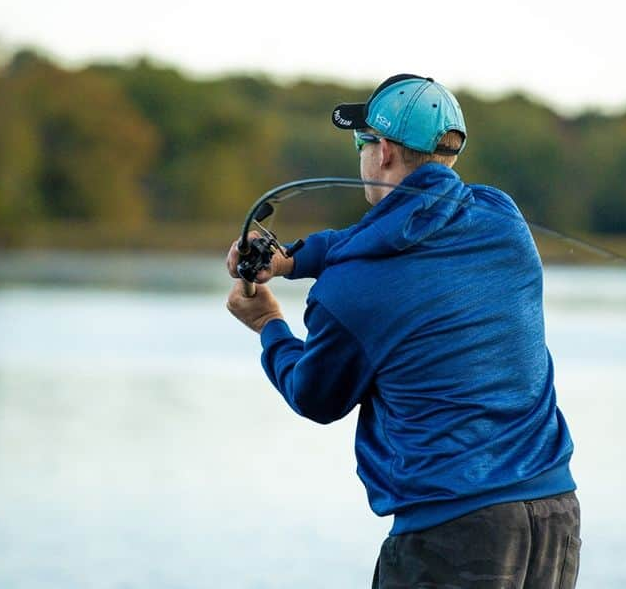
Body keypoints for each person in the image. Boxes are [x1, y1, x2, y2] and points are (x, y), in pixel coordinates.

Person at [225, 74, 580, 589]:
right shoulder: (502, 218)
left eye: (362, 142)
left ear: (385, 152)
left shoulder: (350, 291)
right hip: (554, 516)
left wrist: (269, 326)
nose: (361, 154)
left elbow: (316, 396)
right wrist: (292, 259)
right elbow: (396, 228)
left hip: (451, 530)